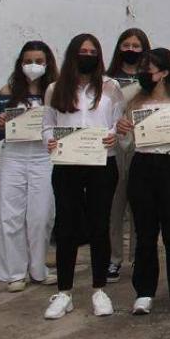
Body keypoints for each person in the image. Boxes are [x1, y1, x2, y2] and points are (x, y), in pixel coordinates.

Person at [115, 48, 170, 314]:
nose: (144, 74)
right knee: (145, 233)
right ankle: (144, 292)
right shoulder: (135, 103)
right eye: (142, 69)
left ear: (164, 72)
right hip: (143, 165)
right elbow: (127, 144)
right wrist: (122, 132)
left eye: (149, 70)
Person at [41, 34, 124, 320]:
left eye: (92, 52)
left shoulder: (111, 87)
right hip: (67, 163)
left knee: (100, 225)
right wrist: (50, 141)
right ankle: (64, 292)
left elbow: (117, 122)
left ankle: (99, 289)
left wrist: (113, 136)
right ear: (73, 54)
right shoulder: (55, 88)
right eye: (82, 51)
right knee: (67, 226)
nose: (87, 55)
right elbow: (48, 125)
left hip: (102, 162)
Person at [0, 40, 58, 292]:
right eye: (28, 61)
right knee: (11, 216)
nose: (33, 65)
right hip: (14, 157)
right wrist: (0, 123)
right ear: (20, 64)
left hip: (43, 157)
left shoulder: (54, 91)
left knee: (41, 215)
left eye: (39, 61)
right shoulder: (8, 91)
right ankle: (15, 273)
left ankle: (39, 269)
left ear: (47, 63)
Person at [105, 27, 150, 284]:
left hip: (142, 144)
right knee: (115, 204)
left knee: (140, 204)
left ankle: (137, 256)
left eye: (136, 46)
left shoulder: (149, 79)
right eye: (126, 45)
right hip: (114, 145)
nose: (131, 50)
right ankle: (114, 258)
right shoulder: (107, 80)